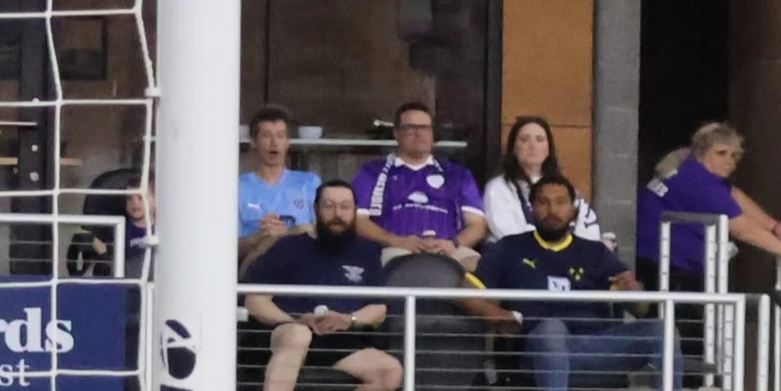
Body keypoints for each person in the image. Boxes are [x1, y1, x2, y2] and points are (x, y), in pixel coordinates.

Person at [458, 175, 678, 391]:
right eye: (544, 202)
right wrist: (497, 315)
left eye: (561, 202)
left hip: (593, 351)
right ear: (531, 209)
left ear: (574, 210)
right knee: (552, 328)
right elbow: (465, 292)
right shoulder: (509, 248)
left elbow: (640, 309)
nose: (552, 210)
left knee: (661, 332)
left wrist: (633, 291)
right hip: (535, 353)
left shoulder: (595, 252)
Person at [240, 180, 403, 391]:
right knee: (299, 335)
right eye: (329, 206)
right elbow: (255, 300)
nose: (337, 214)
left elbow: (378, 308)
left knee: (390, 371)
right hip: (285, 333)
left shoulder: (367, 251)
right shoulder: (288, 246)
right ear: (316, 209)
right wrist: (294, 320)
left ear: (354, 212)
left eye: (345, 207)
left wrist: (349, 320)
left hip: (339, 338)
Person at [635, 122, 781, 287]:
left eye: (734, 155)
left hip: (658, 256)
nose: (729, 161)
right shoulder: (700, 184)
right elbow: (742, 230)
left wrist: (774, 226)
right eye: (721, 153)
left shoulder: (688, 168)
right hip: (666, 265)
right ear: (701, 152)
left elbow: (733, 194)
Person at [353, 101, 487, 265]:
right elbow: (358, 222)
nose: (418, 134)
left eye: (424, 128)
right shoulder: (372, 172)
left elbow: (477, 225)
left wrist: (454, 243)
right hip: (394, 249)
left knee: (477, 266)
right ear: (396, 134)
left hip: (449, 249)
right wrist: (397, 241)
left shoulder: (458, 175)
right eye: (411, 128)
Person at [481, 115, 601, 242]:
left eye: (540, 139)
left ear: (548, 148)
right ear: (514, 148)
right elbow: (510, 235)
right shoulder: (498, 188)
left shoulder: (565, 188)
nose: (532, 146)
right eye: (524, 140)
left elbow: (588, 230)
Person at [238, 105, 320, 270]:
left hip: (303, 268)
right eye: (266, 136)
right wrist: (257, 238)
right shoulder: (237, 187)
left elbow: (326, 234)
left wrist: (296, 232)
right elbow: (222, 248)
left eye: (280, 136)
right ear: (253, 142)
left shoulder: (309, 182)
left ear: (288, 142)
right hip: (257, 269)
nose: (274, 143)